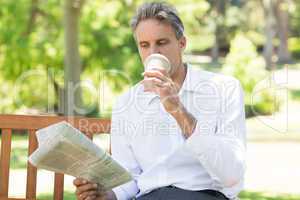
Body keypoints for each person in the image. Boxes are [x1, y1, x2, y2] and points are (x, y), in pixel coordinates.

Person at [73, 2, 246, 200]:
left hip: (203, 195)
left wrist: (178, 110)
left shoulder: (224, 89)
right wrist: (107, 195)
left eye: (162, 43)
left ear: (182, 43)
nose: (153, 53)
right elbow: (131, 178)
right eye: (144, 45)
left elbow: (232, 175)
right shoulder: (126, 103)